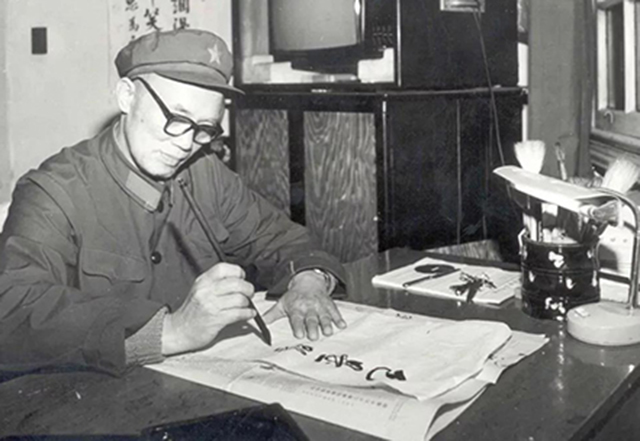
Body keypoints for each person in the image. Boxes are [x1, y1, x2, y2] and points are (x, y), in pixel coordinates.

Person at [0, 29, 347, 376]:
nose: (186, 144)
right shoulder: (54, 191)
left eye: (204, 128)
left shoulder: (205, 173)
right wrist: (172, 331)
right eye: (176, 119)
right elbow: (12, 313)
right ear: (126, 96)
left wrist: (309, 281)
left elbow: (281, 239)